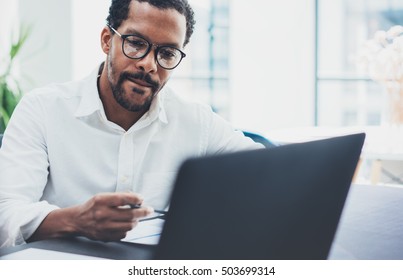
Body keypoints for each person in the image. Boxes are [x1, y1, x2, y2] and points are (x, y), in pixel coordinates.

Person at [0, 0, 261, 248]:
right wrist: (77, 221)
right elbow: (6, 214)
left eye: (167, 53)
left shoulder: (196, 121)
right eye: (136, 43)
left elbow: (265, 173)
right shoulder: (42, 109)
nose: (148, 65)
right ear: (106, 40)